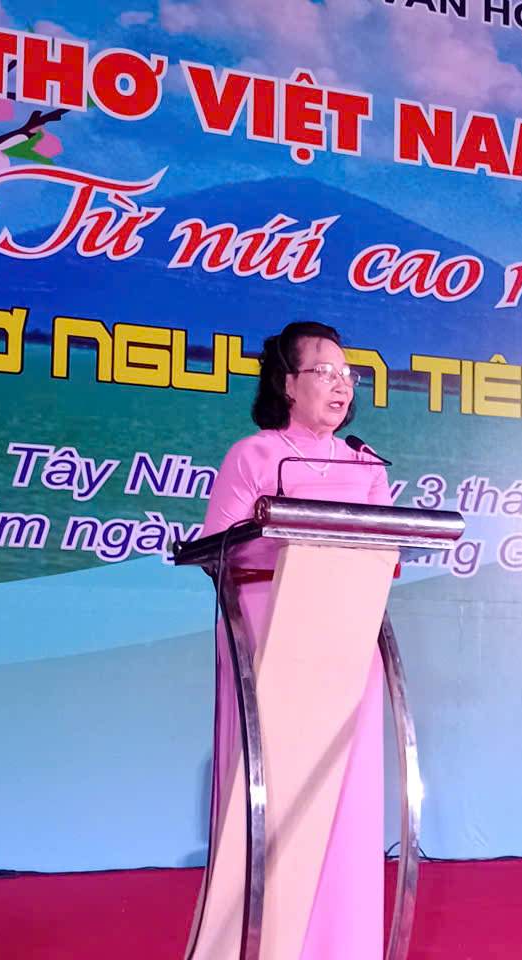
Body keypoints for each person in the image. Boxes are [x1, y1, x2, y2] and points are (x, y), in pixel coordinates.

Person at [200, 321, 390, 960]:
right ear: (287, 383)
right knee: (273, 800)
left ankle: (343, 946)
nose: (341, 385)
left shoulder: (366, 464)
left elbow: (385, 554)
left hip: (348, 638)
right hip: (268, 630)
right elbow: (217, 550)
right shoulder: (252, 456)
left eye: (347, 375)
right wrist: (288, 544)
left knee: (345, 802)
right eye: (325, 373)